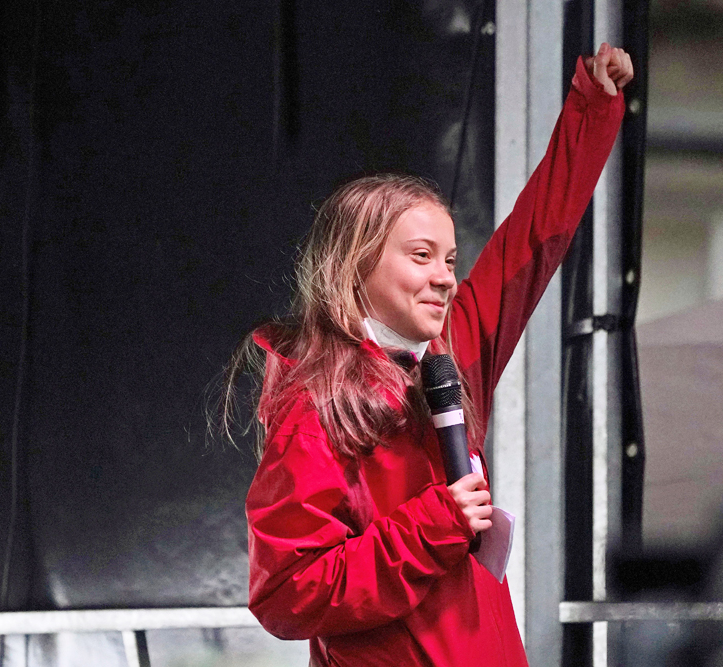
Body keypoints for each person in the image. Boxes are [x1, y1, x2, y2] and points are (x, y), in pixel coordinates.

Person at [232, 43, 632, 666]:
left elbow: (534, 237)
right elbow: (286, 590)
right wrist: (434, 525)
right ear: (356, 265)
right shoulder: (315, 406)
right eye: (421, 257)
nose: (446, 277)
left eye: (449, 259)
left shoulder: (454, 349)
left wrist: (593, 107)